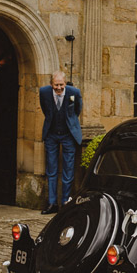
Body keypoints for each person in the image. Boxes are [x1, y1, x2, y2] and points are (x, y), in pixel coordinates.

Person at [38, 71, 82, 214]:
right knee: (51, 170)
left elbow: (77, 110)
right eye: (56, 85)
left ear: (65, 83)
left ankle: (65, 202)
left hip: (68, 134)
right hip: (51, 134)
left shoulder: (74, 92)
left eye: (61, 85)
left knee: (68, 171)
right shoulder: (44, 92)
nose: (59, 88)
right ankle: (52, 203)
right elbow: (45, 110)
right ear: (51, 84)